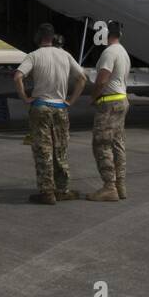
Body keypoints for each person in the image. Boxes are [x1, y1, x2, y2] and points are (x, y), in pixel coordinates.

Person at [13, 23, 86, 204]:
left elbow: (18, 76)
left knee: (43, 150)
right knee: (60, 149)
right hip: (60, 107)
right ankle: (62, 189)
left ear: (39, 37)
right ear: (53, 38)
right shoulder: (65, 55)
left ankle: (47, 192)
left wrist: (24, 97)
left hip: (41, 106)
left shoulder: (34, 56)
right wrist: (71, 101)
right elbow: (82, 78)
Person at [87, 21, 131, 202]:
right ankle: (120, 185)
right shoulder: (123, 52)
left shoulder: (109, 52)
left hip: (109, 103)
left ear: (106, 33)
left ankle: (109, 187)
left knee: (101, 144)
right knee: (117, 143)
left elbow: (102, 79)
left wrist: (94, 97)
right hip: (121, 100)